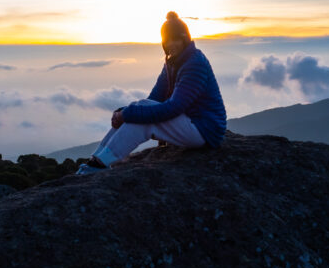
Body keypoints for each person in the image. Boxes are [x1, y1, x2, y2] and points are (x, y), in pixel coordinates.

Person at [76, 11, 227, 175]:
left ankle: (99, 164)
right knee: (138, 109)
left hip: (205, 130)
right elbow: (154, 99)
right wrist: (124, 112)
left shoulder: (194, 64)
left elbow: (173, 107)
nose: (170, 44)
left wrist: (127, 115)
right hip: (191, 122)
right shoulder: (173, 62)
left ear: (184, 38)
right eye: (166, 40)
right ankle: (96, 159)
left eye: (175, 39)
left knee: (142, 118)